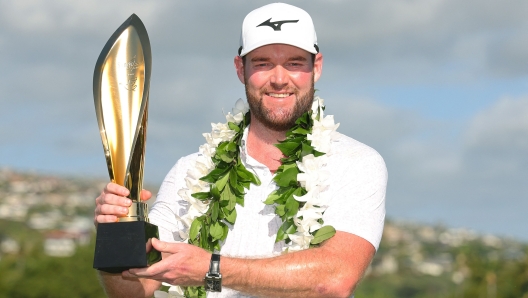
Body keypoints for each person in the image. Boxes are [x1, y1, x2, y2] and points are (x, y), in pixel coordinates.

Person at [94, 3, 387, 298]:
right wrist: (116, 234)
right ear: (240, 69)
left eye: (295, 63)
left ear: (317, 67)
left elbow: (335, 279)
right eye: (262, 63)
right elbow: (135, 290)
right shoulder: (191, 171)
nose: (279, 79)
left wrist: (212, 268)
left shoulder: (357, 163)